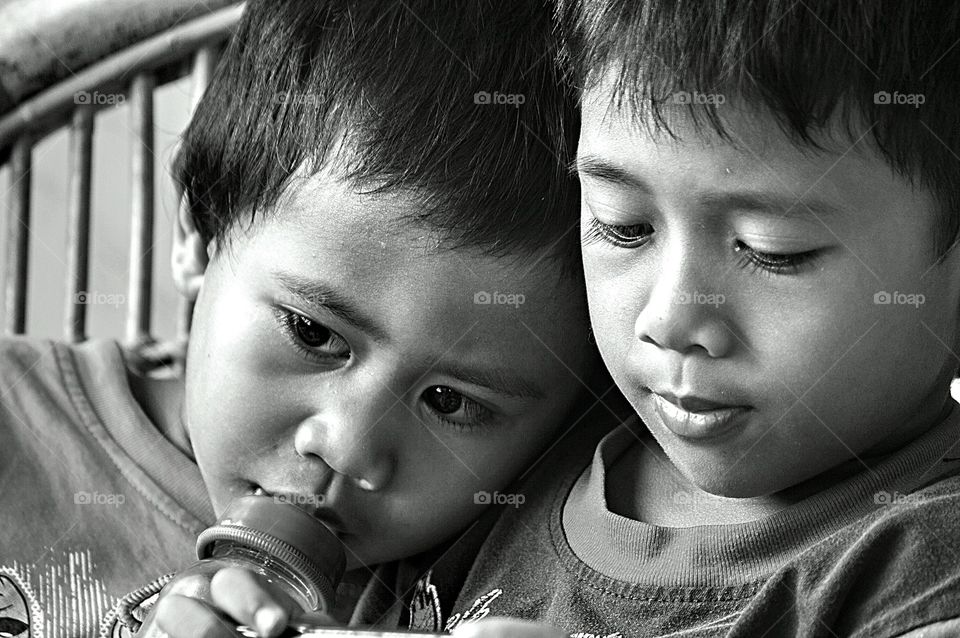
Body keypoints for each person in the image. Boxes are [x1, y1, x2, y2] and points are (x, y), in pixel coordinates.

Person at [0, 1, 621, 636]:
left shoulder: (497, 582)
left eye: (450, 402)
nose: (347, 447)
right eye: (312, 332)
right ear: (198, 230)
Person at [438, 1, 960, 636]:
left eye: (773, 251)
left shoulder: (925, 570)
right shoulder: (529, 440)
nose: (670, 321)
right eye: (622, 227)